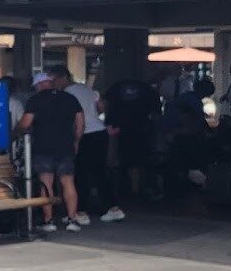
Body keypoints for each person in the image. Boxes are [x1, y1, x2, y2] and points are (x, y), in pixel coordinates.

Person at [51, 64, 122, 222]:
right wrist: (94, 114)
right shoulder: (86, 89)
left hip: (85, 134)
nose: (53, 84)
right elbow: (102, 106)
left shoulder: (67, 94)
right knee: (99, 171)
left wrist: (75, 138)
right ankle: (112, 207)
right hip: (99, 131)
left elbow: (72, 118)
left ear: (62, 78)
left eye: (54, 80)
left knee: (81, 173)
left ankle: (81, 211)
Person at [17, 71, 85, 231]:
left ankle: (49, 221)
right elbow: (80, 123)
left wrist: (17, 129)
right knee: (68, 182)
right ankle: (72, 219)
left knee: (46, 184)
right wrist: (76, 141)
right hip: (65, 147)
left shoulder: (35, 100)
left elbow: (25, 124)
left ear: (39, 85)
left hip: (43, 147)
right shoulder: (70, 98)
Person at [102, 71, 161, 202]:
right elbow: (156, 114)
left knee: (118, 160)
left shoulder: (116, 87)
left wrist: (108, 122)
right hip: (140, 129)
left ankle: (121, 189)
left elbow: (104, 104)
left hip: (117, 129)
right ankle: (137, 190)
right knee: (139, 161)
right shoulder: (148, 90)